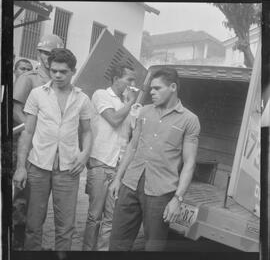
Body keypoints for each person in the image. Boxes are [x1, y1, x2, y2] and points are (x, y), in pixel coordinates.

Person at [109, 67, 200, 251]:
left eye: (157, 88)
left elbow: (189, 163)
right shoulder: (144, 112)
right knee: (118, 243)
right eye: (151, 88)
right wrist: (118, 178)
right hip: (131, 184)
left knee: (153, 247)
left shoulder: (189, 120)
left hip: (161, 191)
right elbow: (133, 146)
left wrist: (177, 199)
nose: (151, 92)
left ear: (173, 87)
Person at [12, 48, 93, 251]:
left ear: (73, 71)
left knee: (65, 228)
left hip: (68, 170)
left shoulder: (82, 99)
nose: (57, 75)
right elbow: (28, 133)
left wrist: (84, 156)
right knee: (33, 225)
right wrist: (21, 167)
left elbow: (87, 132)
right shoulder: (37, 94)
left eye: (63, 71)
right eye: (54, 70)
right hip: (38, 167)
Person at [12, 34, 64, 251]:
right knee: (23, 200)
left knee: (38, 204)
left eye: (49, 53)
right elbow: (14, 110)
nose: (44, 57)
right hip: (28, 145)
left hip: (49, 151)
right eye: (42, 52)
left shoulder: (59, 80)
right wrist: (34, 132)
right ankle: (15, 245)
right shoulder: (29, 78)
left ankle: (31, 245)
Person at [82, 63, 137, 251]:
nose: (132, 84)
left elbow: (133, 135)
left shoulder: (129, 104)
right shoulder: (101, 95)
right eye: (129, 79)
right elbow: (113, 120)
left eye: (134, 80)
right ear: (115, 79)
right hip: (101, 164)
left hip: (118, 168)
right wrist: (130, 103)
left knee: (111, 219)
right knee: (94, 217)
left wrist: (132, 106)